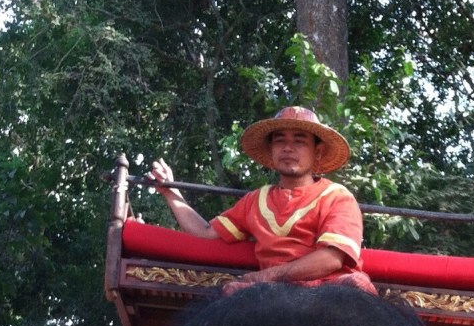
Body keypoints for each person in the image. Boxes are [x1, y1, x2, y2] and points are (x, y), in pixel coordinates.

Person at [147, 105, 376, 296]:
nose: (288, 148)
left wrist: (264, 276)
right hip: (273, 295)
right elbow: (205, 232)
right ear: (271, 149)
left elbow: (332, 259)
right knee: (231, 295)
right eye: (279, 141)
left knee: (355, 289)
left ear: (317, 151)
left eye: (299, 141)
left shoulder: (338, 197)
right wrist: (170, 191)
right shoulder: (256, 200)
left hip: (331, 290)